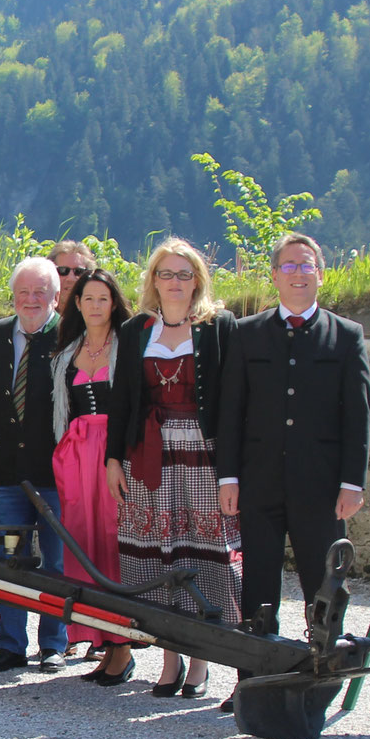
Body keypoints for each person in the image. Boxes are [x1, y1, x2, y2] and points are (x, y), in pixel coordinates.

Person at [214, 231, 370, 713]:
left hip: (321, 485)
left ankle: (320, 679)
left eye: (307, 265)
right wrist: (228, 477)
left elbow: (357, 414)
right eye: (289, 265)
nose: (298, 273)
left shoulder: (346, 336)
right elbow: (231, 410)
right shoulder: (247, 333)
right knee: (258, 582)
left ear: (320, 274)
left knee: (321, 585)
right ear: (275, 275)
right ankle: (253, 681)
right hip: (258, 480)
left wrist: (352, 482)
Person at [104, 240, 241, 698]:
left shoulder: (218, 326)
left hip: (203, 456)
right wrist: (112, 459)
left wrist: (231, 473)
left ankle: (200, 660)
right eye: (167, 273)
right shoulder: (136, 330)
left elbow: (234, 403)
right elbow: (121, 399)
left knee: (201, 550)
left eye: (185, 274)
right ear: (154, 280)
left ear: (198, 279)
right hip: (148, 455)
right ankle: (168, 656)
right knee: (155, 551)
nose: (176, 282)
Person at [0, 257, 68, 671]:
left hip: (54, 474)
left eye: (40, 292)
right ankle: (10, 646)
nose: (31, 300)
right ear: (13, 296)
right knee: (8, 558)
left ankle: (54, 645)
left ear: (55, 296)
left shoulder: (70, 338)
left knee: (56, 561)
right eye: (23, 292)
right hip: (5, 473)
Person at [48, 266, 131, 678]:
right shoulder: (67, 353)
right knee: (84, 544)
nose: (96, 305)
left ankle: (123, 646)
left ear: (114, 302)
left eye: (103, 298)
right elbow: (61, 413)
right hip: (77, 455)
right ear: (75, 304)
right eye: (88, 299)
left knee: (116, 542)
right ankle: (101, 638)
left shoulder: (129, 346)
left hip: (117, 455)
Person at [49, 240, 97, 309]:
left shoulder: (97, 316)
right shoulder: (37, 317)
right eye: (63, 270)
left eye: (78, 271)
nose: (71, 279)